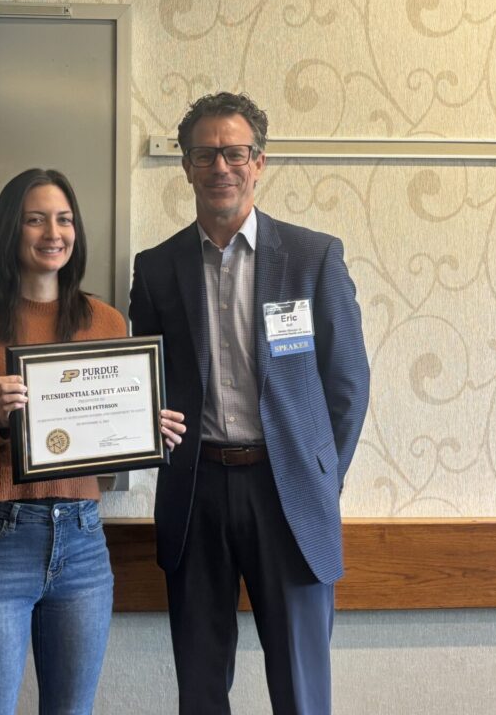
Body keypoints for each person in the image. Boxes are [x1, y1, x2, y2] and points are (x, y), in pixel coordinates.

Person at [0, 167, 184, 715]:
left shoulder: (105, 321)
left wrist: (142, 427)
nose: (52, 232)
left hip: (82, 542)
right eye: (35, 219)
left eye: (64, 219)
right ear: (10, 230)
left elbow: (105, 433)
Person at [129, 93, 370, 715]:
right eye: (205, 154)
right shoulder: (156, 270)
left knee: (301, 688)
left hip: (287, 497)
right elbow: (142, 385)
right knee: (202, 687)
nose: (220, 167)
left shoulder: (313, 257)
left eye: (234, 153)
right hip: (196, 489)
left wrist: (317, 479)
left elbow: (347, 386)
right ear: (185, 166)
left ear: (259, 162)